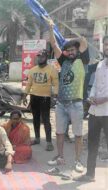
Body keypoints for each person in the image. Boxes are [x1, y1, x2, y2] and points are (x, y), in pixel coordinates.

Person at [46, 18, 89, 173]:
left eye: (73, 50)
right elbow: (53, 44)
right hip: (61, 103)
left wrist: (73, 40)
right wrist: (51, 29)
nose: (71, 52)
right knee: (59, 132)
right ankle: (60, 156)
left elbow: (83, 41)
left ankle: (78, 161)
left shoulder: (82, 59)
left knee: (78, 134)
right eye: (68, 50)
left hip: (76, 103)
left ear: (77, 51)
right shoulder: (63, 59)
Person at [74, 36, 108, 182]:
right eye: (106, 44)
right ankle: (90, 174)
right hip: (95, 111)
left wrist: (105, 99)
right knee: (92, 144)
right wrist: (91, 97)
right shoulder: (100, 65)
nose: (107, 47)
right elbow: (94, 85)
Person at [23, 49, 59, 151]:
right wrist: (25, 95)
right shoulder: (33, 70)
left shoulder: (52, 70)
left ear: (46, 57)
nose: (40, 58)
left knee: (46, 120)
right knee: (35, 119)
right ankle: (37, 138)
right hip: (34, 97)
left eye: (42, 57)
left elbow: (56, 84)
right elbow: (29, 84)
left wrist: (55, 96)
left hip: (45, 98)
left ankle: (49, 142)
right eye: (38, 56)